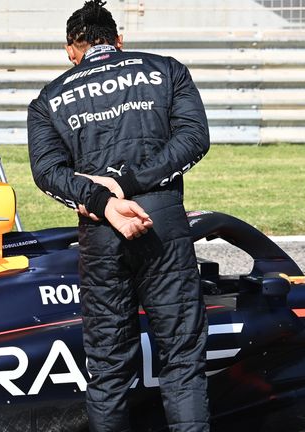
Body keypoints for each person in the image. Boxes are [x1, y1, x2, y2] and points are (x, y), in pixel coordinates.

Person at [27, 1, 211, 430]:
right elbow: (193, 139)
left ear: (72, 49)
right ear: (118, 41)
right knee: (182, 360)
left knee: (108, 369)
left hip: (100, 231)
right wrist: (130, 184)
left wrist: (102, 199)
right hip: (161, 217)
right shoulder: (166, 70)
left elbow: (47, 173)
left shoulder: (48, 98)